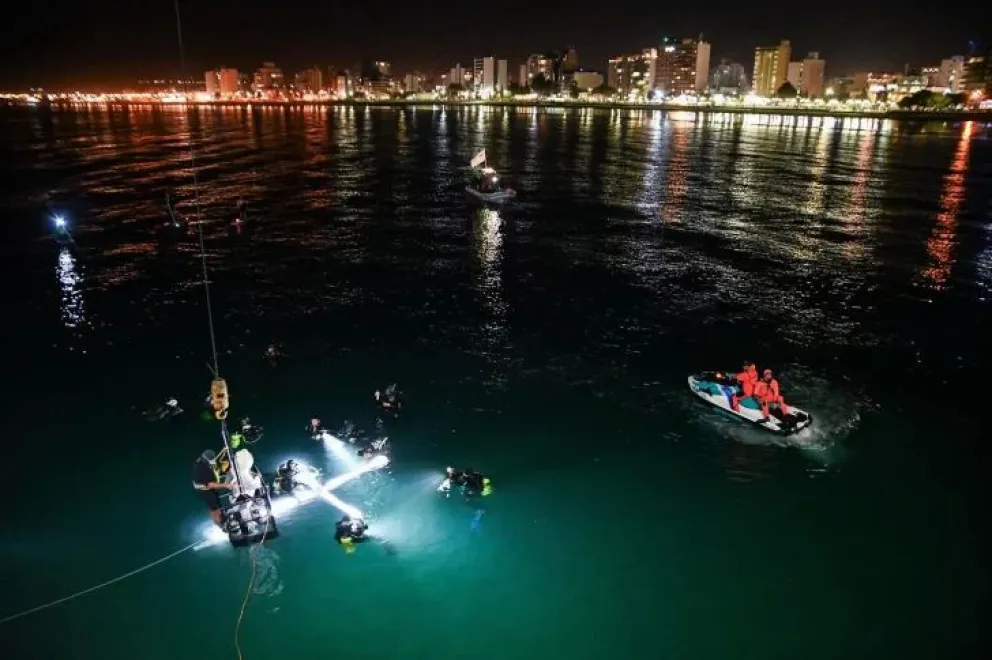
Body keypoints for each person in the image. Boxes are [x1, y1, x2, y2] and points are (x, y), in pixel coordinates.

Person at [192, 450, 234, 527]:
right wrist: (226, 485)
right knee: (214, 507)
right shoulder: (201, 469)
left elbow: (216, 471)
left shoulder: (207, 462)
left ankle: (222, 517)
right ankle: (220, 524)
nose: (214, 460)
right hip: (205, 490)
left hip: (210, 484)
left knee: (218, 504)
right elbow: (210, 485)